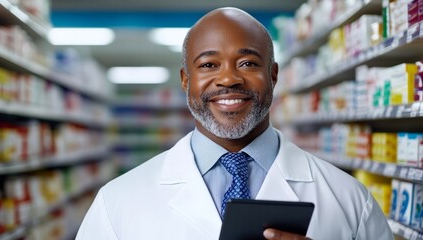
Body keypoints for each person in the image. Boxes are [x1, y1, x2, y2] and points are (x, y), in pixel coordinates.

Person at [76, 7, 394, 240]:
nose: (228, 78)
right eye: (209, 64)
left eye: (248, 63)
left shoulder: (351, 200)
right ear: (186, 80)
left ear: (273, 75)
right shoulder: (117, 201)